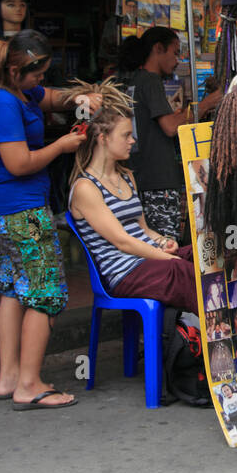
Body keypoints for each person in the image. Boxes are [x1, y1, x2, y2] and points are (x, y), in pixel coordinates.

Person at [0, 30, 99, 410]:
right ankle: (29, 384)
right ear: (15, 70)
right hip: (20, 210)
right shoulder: (0, 103)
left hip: (5, 209)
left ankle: (9, 376)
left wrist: (80, 98)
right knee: (45, 291)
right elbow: (18, 163)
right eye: (37, 74)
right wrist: (61, 146)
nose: (41, 81)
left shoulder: (18, 93)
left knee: (15, 287)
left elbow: (52, 97)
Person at [67, 102, 197, 314]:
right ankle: (220, 334)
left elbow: (144, 230)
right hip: (124, 272)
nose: (132, 141)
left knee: (202, 253)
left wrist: (163, 242)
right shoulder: (86, 188)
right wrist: (170, 258)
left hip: (148, 261)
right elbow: (122, 242)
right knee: (181, 269)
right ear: (103, 139)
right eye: (126, 135)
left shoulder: (126, 176)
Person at [118, 27, 218, 246]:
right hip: (158, 181)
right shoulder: (150, 81)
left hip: (141, 178)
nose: (177, 59)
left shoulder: (134, 80)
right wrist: (208, 103)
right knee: (165, 246)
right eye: (174, 52)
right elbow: (170, 127)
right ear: (158, 49)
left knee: (149, 244)